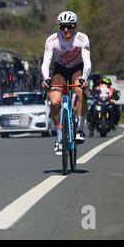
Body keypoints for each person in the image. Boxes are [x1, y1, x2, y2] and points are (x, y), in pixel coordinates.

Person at [41, 11, 91, 155]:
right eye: (62, 27)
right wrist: (46, 78)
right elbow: (45, 63)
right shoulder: (52, 40)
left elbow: (87, 61)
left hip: (77, 69)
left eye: (69, 27)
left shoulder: (82, 38)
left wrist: (84, 78)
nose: (66, 30)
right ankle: (58, 137)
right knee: (55, 102)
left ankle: (80, 129)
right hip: (60, 69)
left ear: (75, 26)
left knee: (80, 91)